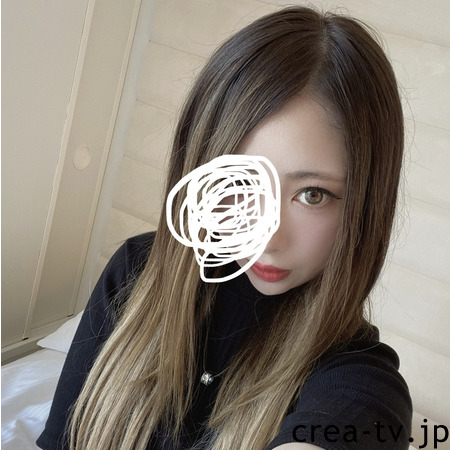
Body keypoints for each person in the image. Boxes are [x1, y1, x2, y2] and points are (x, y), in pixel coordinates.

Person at [37, 6, 412, 450]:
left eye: (313, 194)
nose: (266, 235)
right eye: (238, 183)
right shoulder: (136, 273)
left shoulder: (358, 376)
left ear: (365, 205)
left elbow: (361, 415)